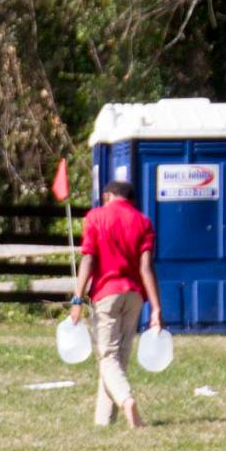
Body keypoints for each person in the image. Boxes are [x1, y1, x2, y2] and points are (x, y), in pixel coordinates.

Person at [71, 178, 164, 429]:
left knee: (107, 356)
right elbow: (146, 267)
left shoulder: (95, 217)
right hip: (134, 295)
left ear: (108, 196)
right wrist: (155, 307)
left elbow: (88, 259)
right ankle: (103, 421)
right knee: (118, 358)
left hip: (106, 294)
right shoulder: (143, 222)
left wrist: (77, 297)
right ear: (131, 200)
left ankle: (126, 400)